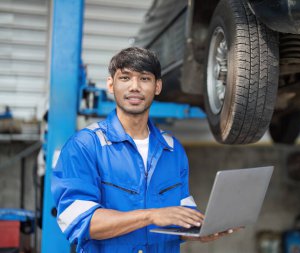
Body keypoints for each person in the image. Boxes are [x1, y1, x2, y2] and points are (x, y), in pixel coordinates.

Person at [51, 47, 236, 253]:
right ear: (111, 85)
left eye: (145, 79)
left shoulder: (172, 150)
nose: (135, 87)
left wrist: (200, 230)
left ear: (157, 86)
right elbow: (80, 221)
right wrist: (151, 215)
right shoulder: (84, 146)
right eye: (125, 78)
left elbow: (179, 217)